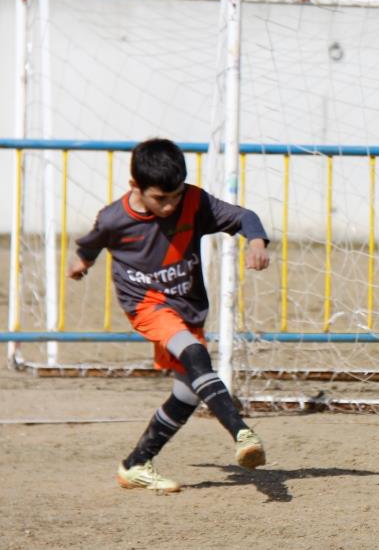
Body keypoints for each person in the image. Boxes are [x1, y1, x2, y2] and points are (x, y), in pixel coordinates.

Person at [68, 138, 271, 492]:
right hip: (146, 304)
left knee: (188, 391)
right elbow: (92, 241)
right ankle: (241, 432)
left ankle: (135, 465)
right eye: (160, 198)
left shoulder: (194, 202)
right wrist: (82, 263)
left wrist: (255, 242)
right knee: (196, 354)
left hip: (187, 306)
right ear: (135, 187)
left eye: (175, 195)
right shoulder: (115, 218)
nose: (170, 205)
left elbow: (243, 217)